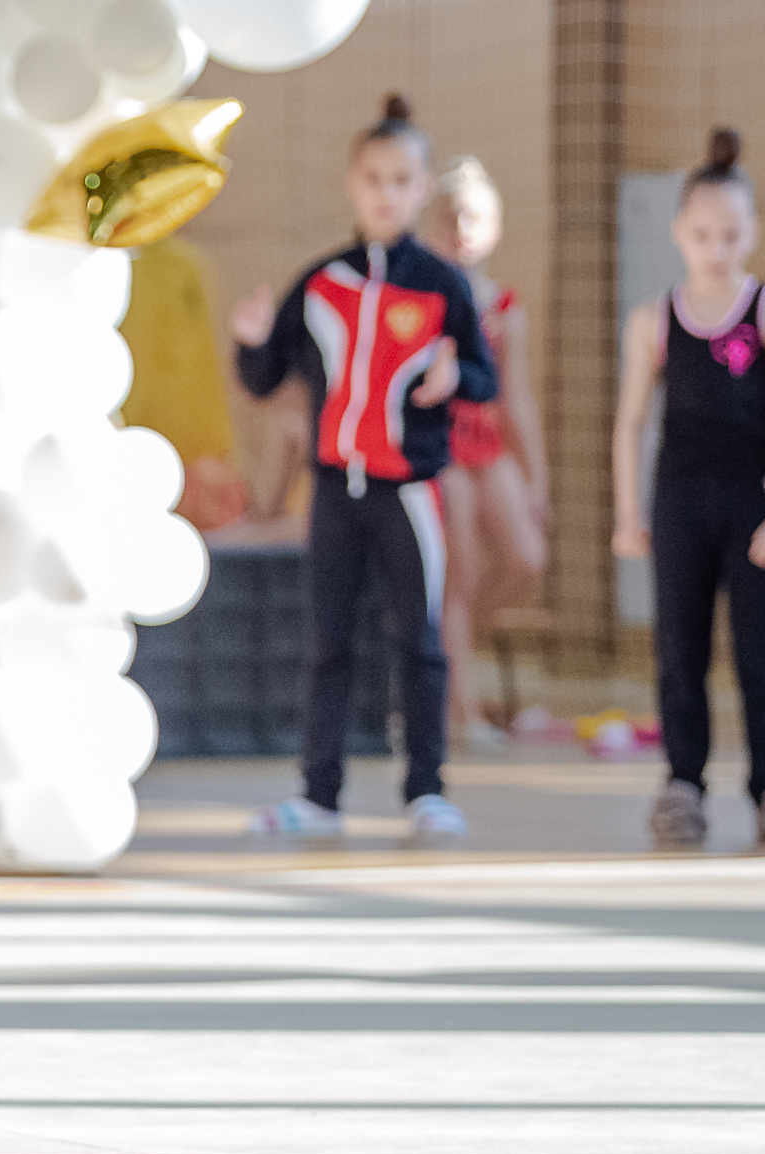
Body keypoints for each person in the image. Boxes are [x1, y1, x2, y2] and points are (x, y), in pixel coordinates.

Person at [232, 94, 498, 839]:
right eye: (373, 178)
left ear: (421, 189)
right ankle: (319, 795)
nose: (386, 192)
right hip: (333, 493)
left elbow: (484, 377)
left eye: (402, 179)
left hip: (407, 493)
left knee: (419, 639)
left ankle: (426, 788)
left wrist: (456, 381)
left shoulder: (445, 288)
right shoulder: (320, 283)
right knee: (328, 645)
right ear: (353, 183)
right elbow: (263, 379)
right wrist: (250, 342)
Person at [612, 128, 765, 846]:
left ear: (751, 232)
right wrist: (630, 512)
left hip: (750, 501)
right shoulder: (653, 320)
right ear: (678, 233)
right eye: (703, 233)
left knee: (762, 650)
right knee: (680, 649)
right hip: (679, 501)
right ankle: (682, 780)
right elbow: (632, 420)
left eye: (730, 234)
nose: (717, 248)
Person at [423, 157, 549, 746]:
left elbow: (515, 399)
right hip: (441, 448)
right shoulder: (425, 300)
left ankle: (450, 652)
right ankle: (462, 714)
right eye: (450, 217)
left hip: (488, 446)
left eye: (474, 218)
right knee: (460, 576)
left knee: (525, 557)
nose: (461, 228)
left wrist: (536, 478)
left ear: (494, 229)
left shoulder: (504, 309)